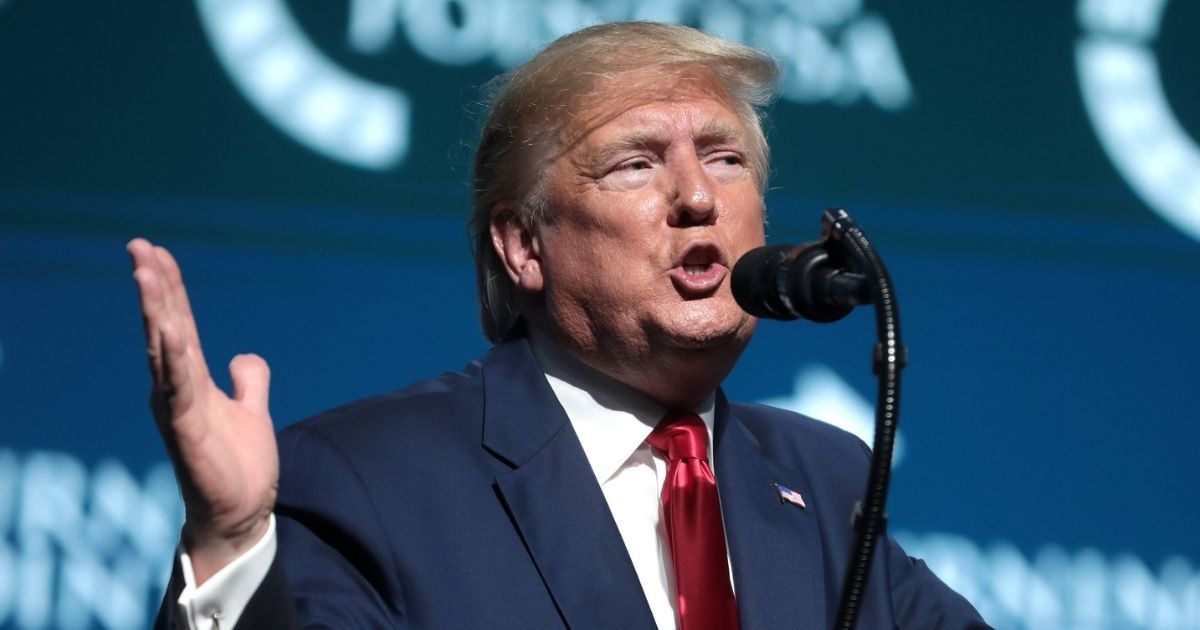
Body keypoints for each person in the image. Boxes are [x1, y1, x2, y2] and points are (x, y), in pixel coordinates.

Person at [129, 21, 987, 630]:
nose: (698, 197)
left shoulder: (824, 481)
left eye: (725, 159)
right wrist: (234, 545)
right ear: (523, 245)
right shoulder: (368, 481)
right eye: (636, 163)